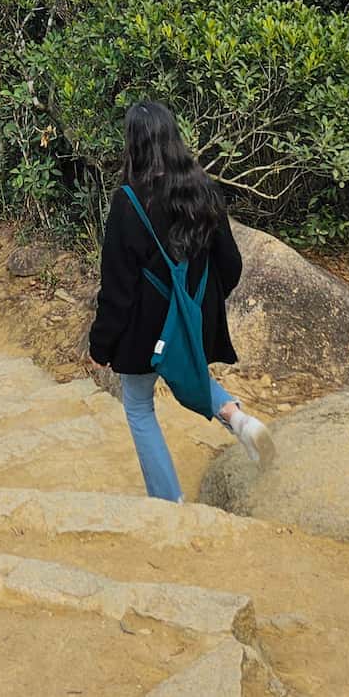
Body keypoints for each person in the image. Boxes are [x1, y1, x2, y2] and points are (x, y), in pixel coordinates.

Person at [89, 98, 273, 502]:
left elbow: (117, 289)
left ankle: (168, 501)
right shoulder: (203, 189)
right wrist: (197, 308)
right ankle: (237, 419)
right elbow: (231, 264)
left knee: (138, 407)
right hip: (192, 319)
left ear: (133, 145)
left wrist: (100, 345)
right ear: (173, 137)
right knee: (188, 369)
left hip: (143, 331)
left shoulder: (129, 202)